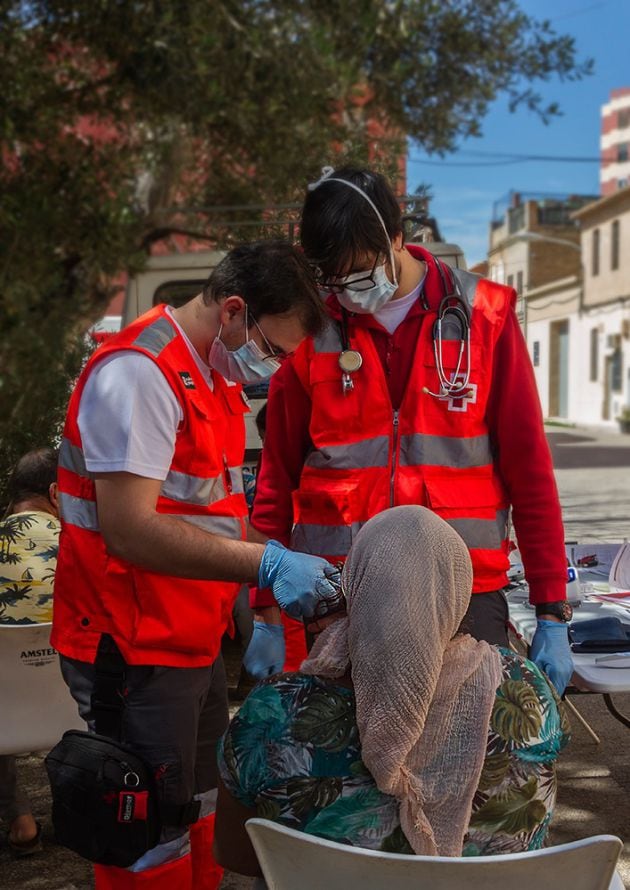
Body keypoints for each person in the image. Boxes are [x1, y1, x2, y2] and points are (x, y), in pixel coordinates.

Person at [51, 241, 340, 890]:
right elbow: (129, 531)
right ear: (235, 311)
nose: (279, 368)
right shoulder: (139, 375)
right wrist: (267, 562)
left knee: (200, 812)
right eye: (277, 349)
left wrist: (255, 612)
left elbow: (211, 519)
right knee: (147, 835)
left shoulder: (213, 380)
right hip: (131, 644)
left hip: (187, 640)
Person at [246, 167, 574, 695]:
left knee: (463, 753)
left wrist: (552, 611)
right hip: (338, 593)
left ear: (396, 238)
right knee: (350, 763)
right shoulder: (309, 329)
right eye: (331, 278)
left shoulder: (485, 317)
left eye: (356, 273)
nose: (345, 292)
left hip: (463, 590)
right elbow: (276, 480)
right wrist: (263, 610)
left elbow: (529, 472)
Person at [214, 506, 570, 878]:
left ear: (353, 589)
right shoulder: (527, 692)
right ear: (460, 592)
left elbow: (235, 854)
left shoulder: (275, 711)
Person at [0, 446, 60, 856]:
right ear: (57, 494)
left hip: (6, 715)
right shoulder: (87, 546)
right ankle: (78, 813)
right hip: (73, 708)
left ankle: (21, 823)